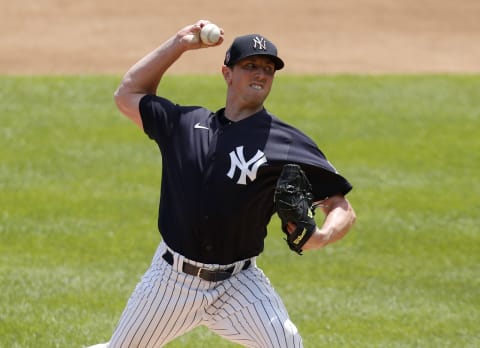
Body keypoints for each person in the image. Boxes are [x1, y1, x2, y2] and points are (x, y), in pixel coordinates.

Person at [88, 20, 356, 348]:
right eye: (250, 65)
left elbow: (340, 205)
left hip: (239, 284)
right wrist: (179, 43)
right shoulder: (185, 125)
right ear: (227, 73)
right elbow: (128, 94)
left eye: (269, 69)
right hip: (172, 281)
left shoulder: (286, 142)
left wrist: (324, 235)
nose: (261, 73)